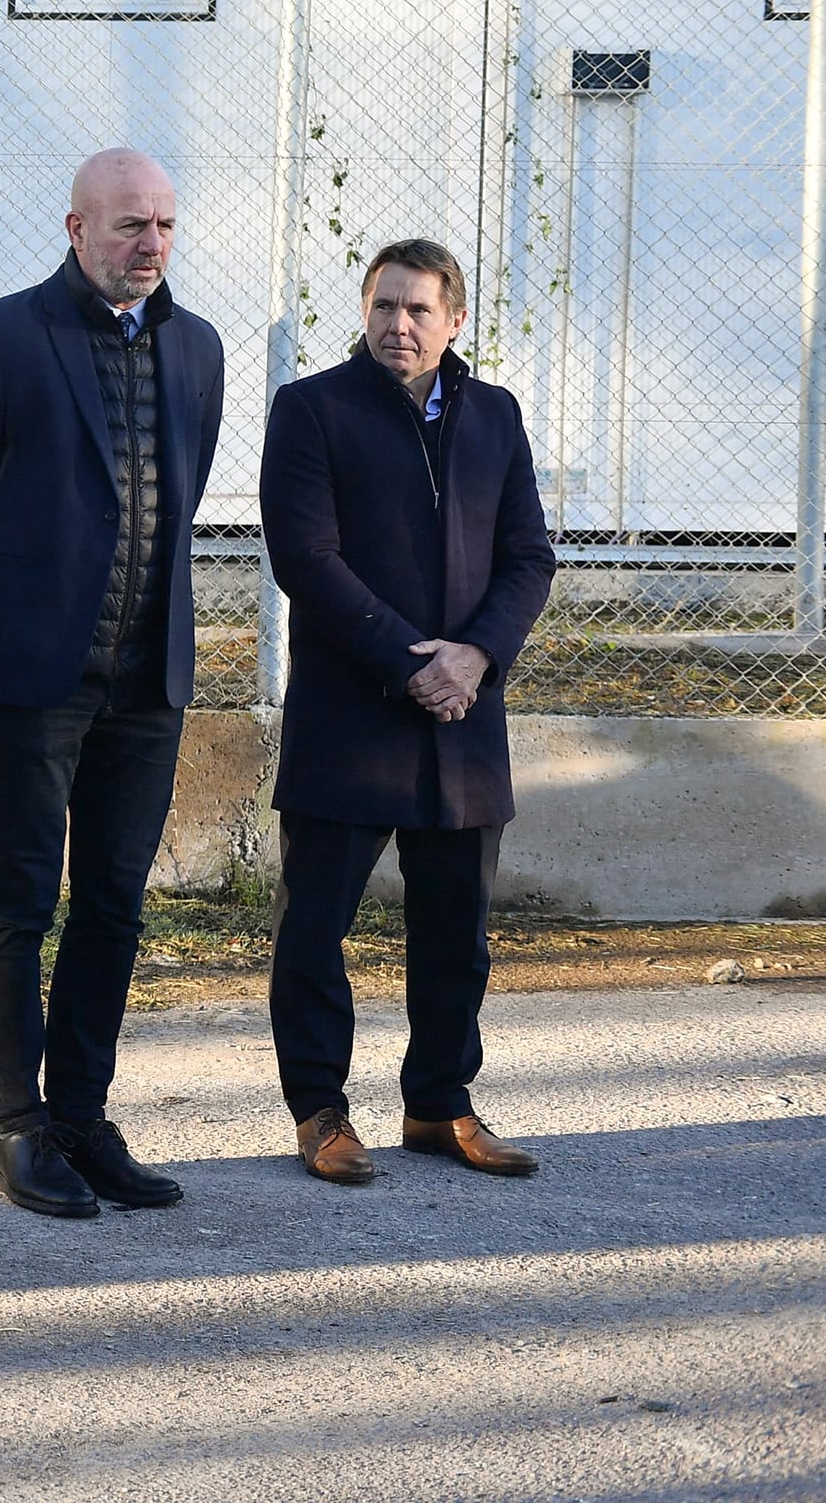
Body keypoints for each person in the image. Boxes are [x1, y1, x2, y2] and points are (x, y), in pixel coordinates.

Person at [0, 147, 224, 1221]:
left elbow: (181, 490)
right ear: (76, 227)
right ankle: (19, 1128)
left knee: (114, 904)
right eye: (131, 224)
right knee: (18, 899)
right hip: (31, 683)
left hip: (147, 681)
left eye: (165, 225)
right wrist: (0, 620)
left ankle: (83, 1118)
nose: (151, 243)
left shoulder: (196, 346)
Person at [260, 239, 555, 1185]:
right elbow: (306, 558)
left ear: (454, 320)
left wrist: (475, 657)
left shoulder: (495, 415)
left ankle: (439, 1104)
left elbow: (529, 557)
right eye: (384, 306)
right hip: (351, 716)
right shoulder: (313, 409)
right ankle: (321, 1112)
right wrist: (407, 662)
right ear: (365, 310)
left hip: (464, 719)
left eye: (419, 309)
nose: (399, 325)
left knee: (456, 932)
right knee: (316, 928)